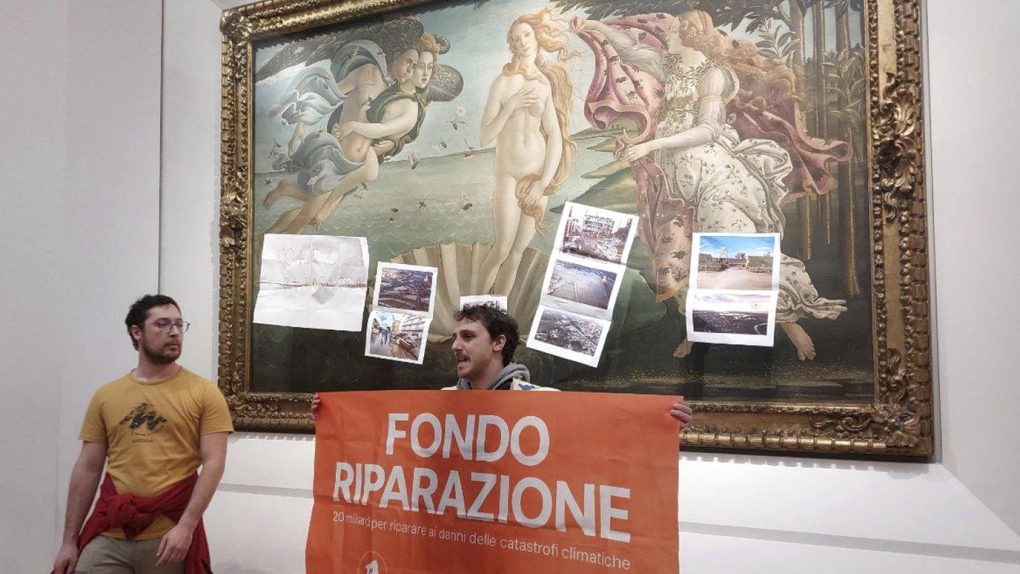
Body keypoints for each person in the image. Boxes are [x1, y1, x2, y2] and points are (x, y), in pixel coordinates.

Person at [572, 11, 848, 361]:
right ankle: (697, 331)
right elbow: (631, 51)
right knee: (684, 254)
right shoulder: (671, 67)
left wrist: (651, 145)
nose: (664, 36)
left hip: (717, 175)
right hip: (682, 179)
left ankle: (791, 326)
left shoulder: (712, 75)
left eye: (672, 32)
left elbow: (709, 131)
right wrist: (594, 27)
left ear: (689, 35)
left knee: (733, 254)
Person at [51, 295, 233, 574]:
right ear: (137, 332)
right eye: (162, 324)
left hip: (167, 534)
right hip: (111, 530)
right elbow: (88, 468)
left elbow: (214, 463)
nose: (174, 332)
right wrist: (68, 542)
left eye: (179, 324)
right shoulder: (106, 396)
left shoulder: (204, 393)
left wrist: (186, 527)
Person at [312, 304, 693, 428]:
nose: (454, 347)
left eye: (467, 337)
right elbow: (384, 434)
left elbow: (599, 433)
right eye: (454, 338)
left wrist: (656, 421)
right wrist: (335, 417)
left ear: (498, 344)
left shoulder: (542, 403)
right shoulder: (440, 405)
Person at [475, 7, 577, 297]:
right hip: (508, 175)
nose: (523, 42)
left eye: (527, 35)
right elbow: (485, 137)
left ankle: (496, 314)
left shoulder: (545, 84)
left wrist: (543, 183)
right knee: (502, 248)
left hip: (536, 177)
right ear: (512, 45)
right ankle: (473, 311)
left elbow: (555, 135)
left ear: (537, 37)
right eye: (516, 38)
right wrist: (512, 105)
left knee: (518, 252)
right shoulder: (503, 83)